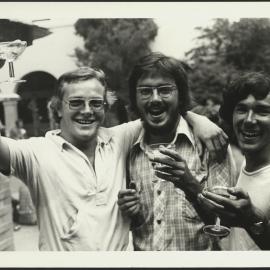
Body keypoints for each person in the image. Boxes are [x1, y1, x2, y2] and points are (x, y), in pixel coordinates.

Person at [0, 66, 226, 251]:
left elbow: (159, 108)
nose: (87, 111)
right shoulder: (34, 153)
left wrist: (197, 119)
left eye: (96, 103)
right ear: (57, 108)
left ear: (104, 107)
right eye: (76, 102)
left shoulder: (118, 139)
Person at [117, 52, 236, 251]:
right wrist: (131, 212)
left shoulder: (211, 144)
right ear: (135, 97)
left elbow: (224, 221)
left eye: (165, 90)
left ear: (180, 94)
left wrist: (190, 185)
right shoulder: (127, 147)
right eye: (145, 91)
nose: (155, 99)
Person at [198, 72, 270, 250]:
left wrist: (251, 218)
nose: (249, 120)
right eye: (242, 109)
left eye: (262, 111)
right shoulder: (243, 165)